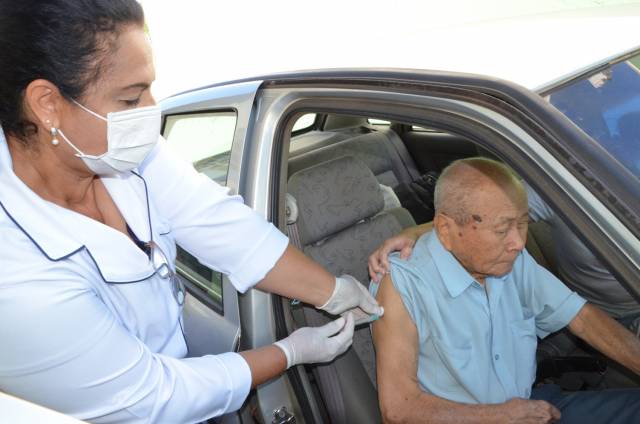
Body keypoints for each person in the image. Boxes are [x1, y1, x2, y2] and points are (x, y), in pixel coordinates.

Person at [0, 1, 382, 423]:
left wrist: (333, 291)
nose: (151, 110)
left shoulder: (110, 149)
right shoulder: (15, 277)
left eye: (149, 88)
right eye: (130, 98)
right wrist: (290, 352)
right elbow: (154, 397)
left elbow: (218, 222)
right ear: (47, 104)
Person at [370, 157, 640, 423]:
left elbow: (581, 317)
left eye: (522, 224)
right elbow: (399, 409)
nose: (518, 243)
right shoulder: (402, 284)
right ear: (445, 229)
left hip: (531, 406)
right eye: (502, 229)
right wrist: (500, 416)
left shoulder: (510, 261)